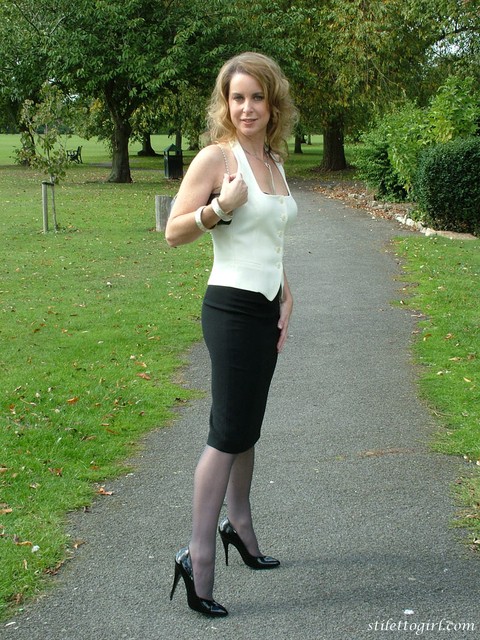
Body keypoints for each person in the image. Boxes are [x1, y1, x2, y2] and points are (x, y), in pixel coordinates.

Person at [166, 51, 298, 617]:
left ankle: (238, 525)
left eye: (257, 97)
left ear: (274, 103)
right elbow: (172, 232)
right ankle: (196, 560)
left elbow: (268, 236)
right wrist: (219, 207)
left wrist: (286, 289)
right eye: (236, 97)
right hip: (231, 310)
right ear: (225, 103)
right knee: (226, 433)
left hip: (266, 306)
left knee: (247, 426)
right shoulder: (216, 158)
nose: (246, 107)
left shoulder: (271, 157)